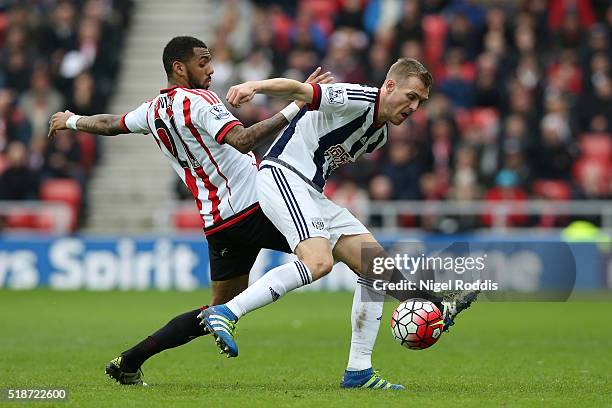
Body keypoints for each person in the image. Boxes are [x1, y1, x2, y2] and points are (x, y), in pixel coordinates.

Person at [48, 36, 331, 386]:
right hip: (255, 207)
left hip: (218, 223)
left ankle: (129, 361)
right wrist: (296, 106)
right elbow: (242, 140)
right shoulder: (200, 101)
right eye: (203, 62)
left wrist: (72, 120)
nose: (210, 69)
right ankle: (389, 327)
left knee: (218, 309)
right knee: (335, 245)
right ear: (179, 68)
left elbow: (110, 124)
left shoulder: (153, 110)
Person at [202, 58, 479, 390]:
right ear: (389, 86)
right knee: (319, 262)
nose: (414, 106)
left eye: (420, 101)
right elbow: (299, 90)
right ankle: (227, 313)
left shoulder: (379, 136)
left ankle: (359, 371)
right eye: (411, 96)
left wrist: (428, 303)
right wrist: (254, 86)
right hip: (283, 174)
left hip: (311, 191)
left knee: (376, 268)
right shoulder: (357, 97)